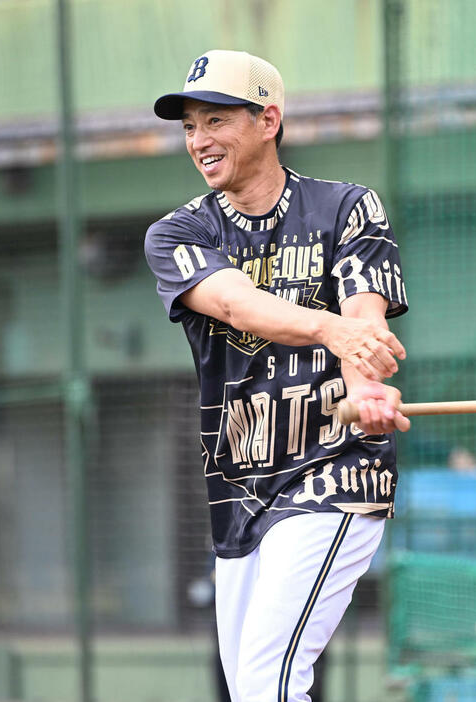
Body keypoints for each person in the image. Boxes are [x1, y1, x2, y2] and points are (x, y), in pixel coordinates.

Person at [144, 49, 410, 701]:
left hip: (335, 471)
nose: (199, 141)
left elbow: (362, 316)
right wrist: (330, 330)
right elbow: (235, 303)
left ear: (268, 119)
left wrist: (365, 386)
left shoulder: (347, 207)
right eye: (188, 127)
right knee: (251, 690)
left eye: (215, 121)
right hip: (240, 488)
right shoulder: (178, 231)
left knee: (268, 681)